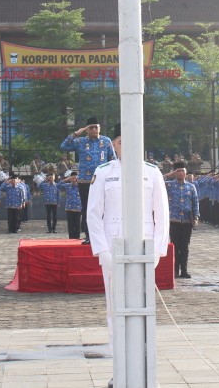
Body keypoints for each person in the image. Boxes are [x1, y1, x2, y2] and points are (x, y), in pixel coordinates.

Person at [87, 122, 169, 387]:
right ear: (114, 144)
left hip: (144, 250)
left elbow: (162, 215)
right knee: (116, 309)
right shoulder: (104, 173)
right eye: (120, 141)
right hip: (113, 249)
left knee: (145, 310)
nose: (125, 145)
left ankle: (144, 368)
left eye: (131, 140)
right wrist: (101, 251)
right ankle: (119, 367)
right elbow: (93, 214)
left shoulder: (152, 173)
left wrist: (157, 250)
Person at [60, 116, 115, 244]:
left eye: (96, 127)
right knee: (87, 209)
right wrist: (76, 133)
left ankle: (105, 236)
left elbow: (113, 160)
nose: (94, 129)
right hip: (85, 181)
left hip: (103, 181)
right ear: (86, 130)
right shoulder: (80, 141)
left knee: (105, 209)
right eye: (91, 127)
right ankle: (90, 236)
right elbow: (64, 146)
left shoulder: (106, 141)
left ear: (100, 128)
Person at [164, 160, 200, 278]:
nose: (180, 173)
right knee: (174, 246)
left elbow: (195, 202)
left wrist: (196, 216)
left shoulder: (191, 187)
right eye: (178, 171)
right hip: (173, 220)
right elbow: (157, 180)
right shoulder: (169, 185)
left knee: (185, 247)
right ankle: (175, 270)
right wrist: (168, 175)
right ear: (175, 172)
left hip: (186, 221)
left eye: (182, 171)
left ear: (186, 173)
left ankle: (184, 270)